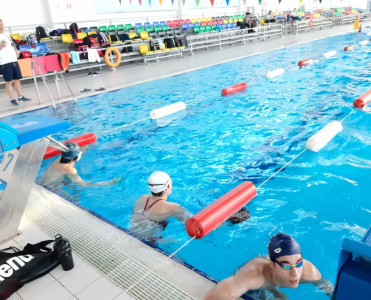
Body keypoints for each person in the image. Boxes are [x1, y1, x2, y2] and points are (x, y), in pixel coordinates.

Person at [205, 233, 334, 300]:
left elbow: (332, 291)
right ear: (272, 265)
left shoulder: (309, 272)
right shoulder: (255, 274)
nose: (295, 273)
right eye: (286, 265)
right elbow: (214, 295)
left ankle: (275, 291)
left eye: (298, 263)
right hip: (256, 282)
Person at [129, 171, 191, 241]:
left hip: (128, 234)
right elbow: (191, 224)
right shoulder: (173, 207)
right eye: (171, 183)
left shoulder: (142, 198)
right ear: (166, 188)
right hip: (148, 242)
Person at [38, 142, 118, 188]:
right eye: (80, 153)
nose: (81, 153)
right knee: (76, 196)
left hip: (40, 182)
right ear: (75, 157)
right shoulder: (70, 170)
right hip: (49, 187)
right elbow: (84, 184)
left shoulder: (59, 159)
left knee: (67, 182)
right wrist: (107, 183)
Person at [0, 19, 31, 106]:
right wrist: (1, 46)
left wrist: (16, 51)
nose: (1, 26)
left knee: (17, 79)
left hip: (13, 60)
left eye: (2, 24)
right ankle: (12, 99)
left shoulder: (6, 34)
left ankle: (20, 97)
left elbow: (12, 44)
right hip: (4, 62)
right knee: (9, 81)